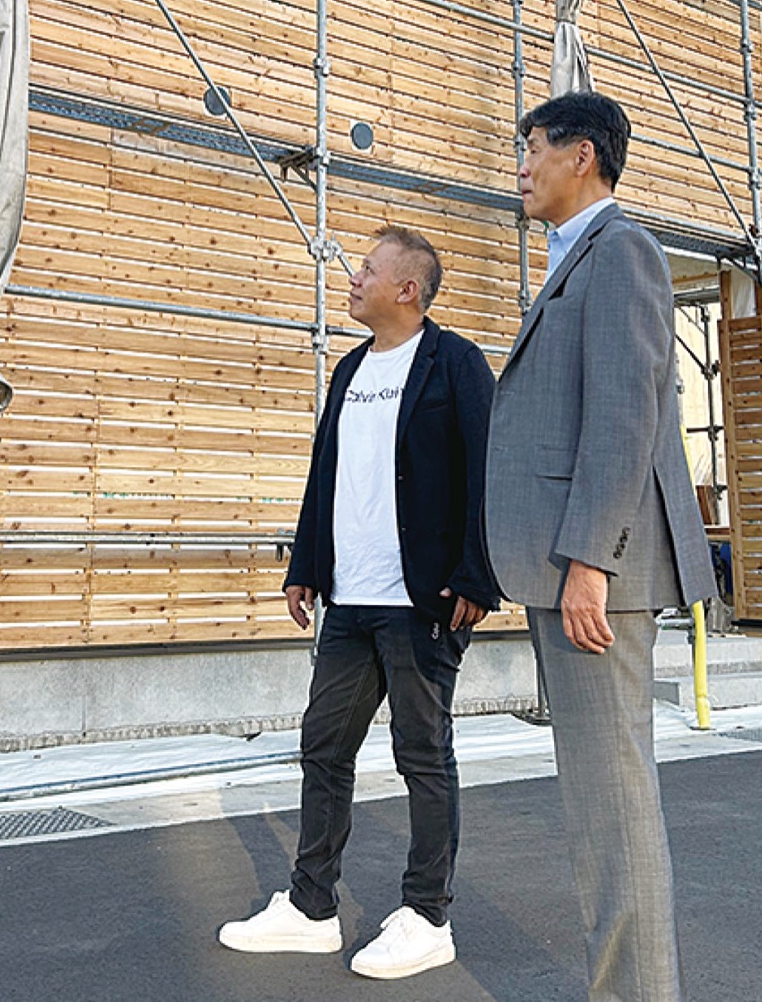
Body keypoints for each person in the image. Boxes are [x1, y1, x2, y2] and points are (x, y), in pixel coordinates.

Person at [219, 224, 498, 980]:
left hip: (422, 600)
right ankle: (312, 906)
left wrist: (477, 576)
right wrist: (305, 565)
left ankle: (426, 915)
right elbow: (326, 474)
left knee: (422, 754)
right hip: (351, 599)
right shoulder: (349, 369)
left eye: (367, 269)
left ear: (407, 289)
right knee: (324, 744)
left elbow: (487, 470)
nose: (352, 277)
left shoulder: (456, 363)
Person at [485, 91, 716, 1002]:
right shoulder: (578, 258)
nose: (523, 166)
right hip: (572, 570)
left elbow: (626, 415)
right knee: (600, 809)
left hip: (595, 577)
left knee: (613, 810)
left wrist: (590, 560)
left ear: (581, 154)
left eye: (532, 147)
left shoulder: (621, 251)